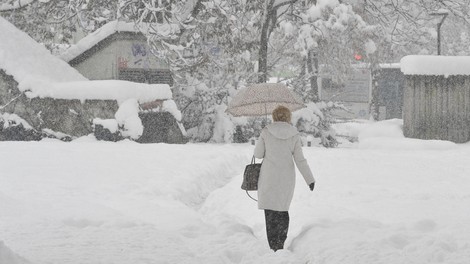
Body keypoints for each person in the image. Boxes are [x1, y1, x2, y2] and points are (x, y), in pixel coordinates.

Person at [254, 105, 315, 252]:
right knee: (282, 210)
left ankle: (272, 245)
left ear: (274, 116)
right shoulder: (293, 134)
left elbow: (258, 154)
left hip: (268, 177)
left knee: (270, 211)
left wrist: (262, 138)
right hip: (286, 178)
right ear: (288, 117)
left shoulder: (266, 131)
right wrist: (310, 179)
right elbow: (300, 160)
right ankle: (280, 243)